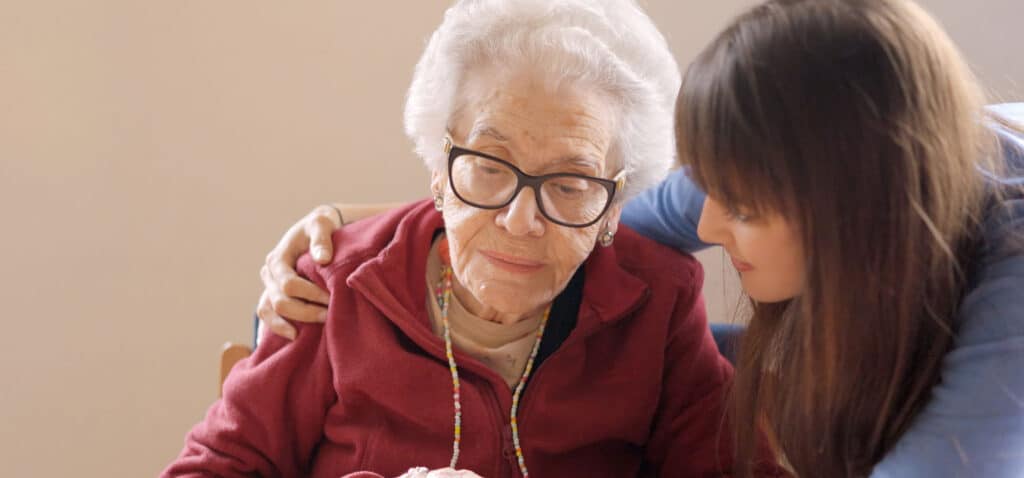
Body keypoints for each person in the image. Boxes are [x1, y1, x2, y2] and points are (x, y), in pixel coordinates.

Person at [260, 0, 1024, 476]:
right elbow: (555, 199)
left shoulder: (1007, 308)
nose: (711, 228)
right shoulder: (338, 282)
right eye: (482, 166)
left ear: (857, 207)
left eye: (747, 207)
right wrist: (354, 222)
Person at [164, 0, 784, 477]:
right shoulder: (333, 285)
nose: (521, 220)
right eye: (489, 166)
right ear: (439, 169)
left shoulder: (659, 300)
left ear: (613, 206)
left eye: (570, 183)